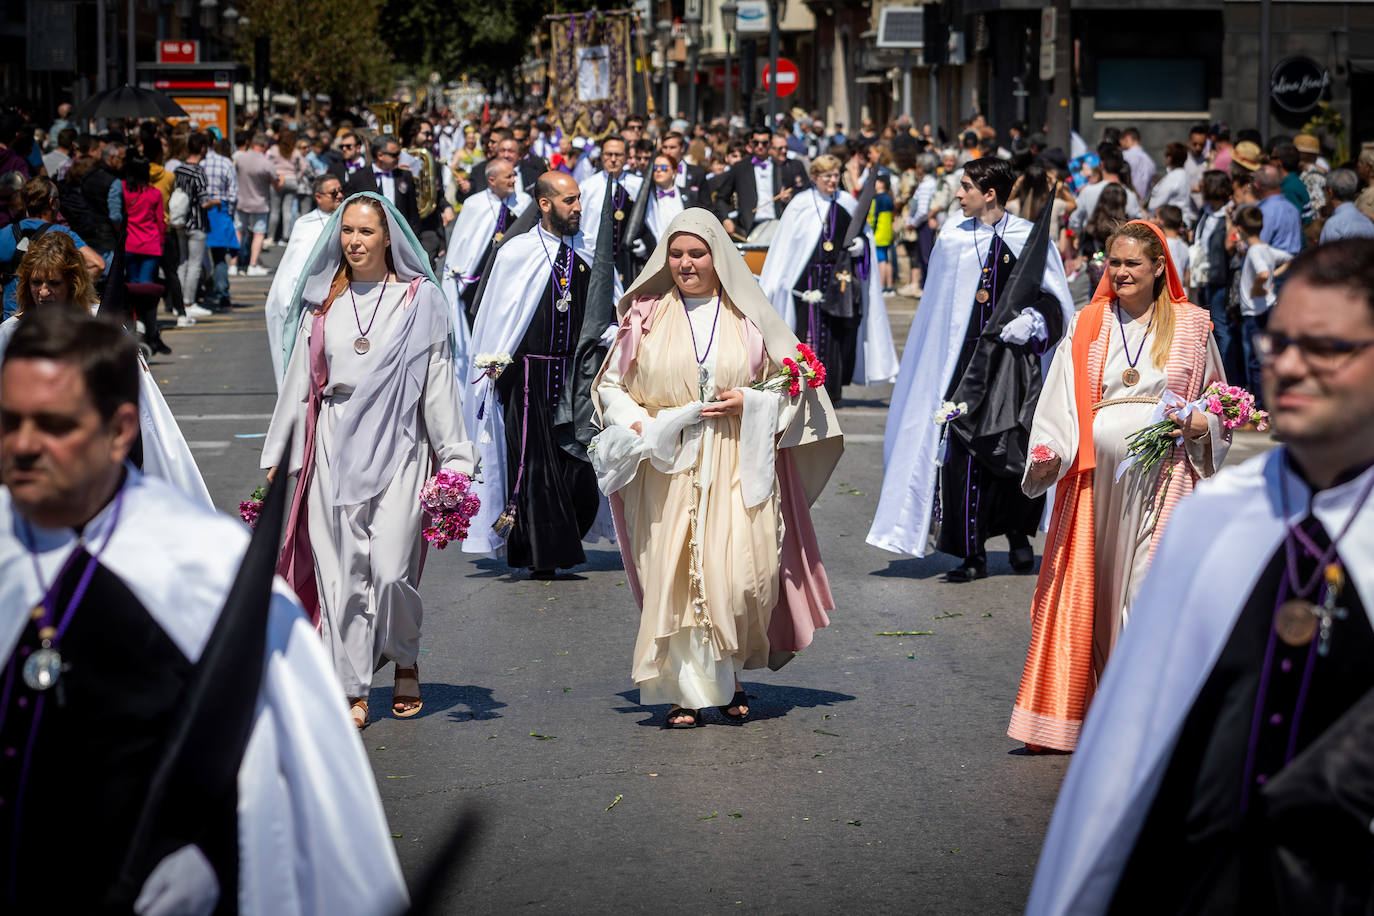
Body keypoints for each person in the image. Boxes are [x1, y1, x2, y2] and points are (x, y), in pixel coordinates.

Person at [0, 305, 408, 913]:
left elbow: (292, 782)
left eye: (54, 424)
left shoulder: (207, 571)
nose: (24, 446)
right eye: (9, 421)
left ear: (119, 430)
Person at [1025, 238, 1374, 915]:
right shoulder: (1215, 523)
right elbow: (1125, 749)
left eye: (1325, 347)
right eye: (1278, 342)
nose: (1289, 366)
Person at [590, 209, 843, 727]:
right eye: (677, 254)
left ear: (717, 257)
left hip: (734, 457)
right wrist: (641, 423)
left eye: (697, 254)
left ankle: (726, 675)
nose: (686, 264)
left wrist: (749, 403)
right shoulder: (645, 315)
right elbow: (610, 386)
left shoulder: (748, 319)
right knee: (675, 576)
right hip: (667, 461)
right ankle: (687, 692)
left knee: (735, 579)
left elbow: (792, 384)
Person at [1009, 220, 1230, 753]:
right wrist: (1050, 451)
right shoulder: (1088, 323)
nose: (1122, 271)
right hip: (1094, 483)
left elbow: (1218, 398)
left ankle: (1143, 714)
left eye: (1134, 263)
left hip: (1166, 475)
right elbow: (1061, 397)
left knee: (1148, 587)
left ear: (1160, 267)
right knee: (1095, 595)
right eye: (1115, 261)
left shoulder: (1194, 326)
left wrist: (1206, 424)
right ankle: (1090, 710)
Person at [263, 192, 476, 729]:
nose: (354, 241)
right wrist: (281, 454)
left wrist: (454, 459)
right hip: (334, 442)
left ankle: (404, 654)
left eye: (366, 232)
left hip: (401, 446)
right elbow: (300, 385)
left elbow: (437, 382)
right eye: (348, 232)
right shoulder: (323, 302)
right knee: (342, 574)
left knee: (389, 571)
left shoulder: (419, 300)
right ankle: (353, 686)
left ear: (389, 238)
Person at [868, 156, 1075, 580]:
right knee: (963, 458)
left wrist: (1033, 322)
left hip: (1016, 369)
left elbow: (1056, 303)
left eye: (965, 187)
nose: (958, 195)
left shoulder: (1026, 238)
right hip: (964, 367)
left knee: (1014, 453)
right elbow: (938, 315)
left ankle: (1019, 536)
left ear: (990, 194)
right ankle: (972, 552)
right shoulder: (952, 239)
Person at [462, 172, 604, 577]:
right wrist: (493, 371)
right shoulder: (517, 253)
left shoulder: (588, 251)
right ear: (545, 204)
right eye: (569, 201)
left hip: (576, 380)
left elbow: (604, 310)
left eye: (578, 200)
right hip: (529, 379)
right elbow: (496, 317)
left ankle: (564, 538)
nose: (577, 208)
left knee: (577, 466)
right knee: (535, 468)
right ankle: (542, 554)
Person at [757, 154, 900, 405]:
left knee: (835, 337)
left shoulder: (846, 202)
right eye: (827, 176)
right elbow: (788, 247)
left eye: (835, 175)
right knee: (804, 335)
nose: (833, 180)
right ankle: (801, 388)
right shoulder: (801, 204)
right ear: (815, 178)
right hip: (805, 281)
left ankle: (832, 391)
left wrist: (860, 245)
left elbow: (863, 235)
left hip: (838, 282)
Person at [263, 173, 344, 388]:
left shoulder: (346, 219)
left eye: (340, 191)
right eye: (333, 193)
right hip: (311, 306)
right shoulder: (306, 224)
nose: (340, 196)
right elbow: (294, 269)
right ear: (318, 197)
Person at [441, 157, 531, 329]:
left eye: (514, 176)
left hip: (511, 275)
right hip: (479, 277)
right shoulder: (474, 204)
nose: (513, 180)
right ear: (492, 180)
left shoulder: (524, 202)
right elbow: (463, 244)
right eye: (508, 177)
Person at [0, 176, 103, 319]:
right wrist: (73, 291)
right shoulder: (62, 236)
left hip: (14, 318)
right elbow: (97, 264)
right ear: (52, 203)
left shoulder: (5, 233)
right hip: (54, 319)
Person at [709, 127, 810, 238]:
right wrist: (725, 219)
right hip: (749, 229)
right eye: (756, 143)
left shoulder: (783, 167)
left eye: (764, 143)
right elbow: (721, 198)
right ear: (751, 144)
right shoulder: (740, 168)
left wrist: (789, 196)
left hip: (779, 226)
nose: (760, 146)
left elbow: (803, 193)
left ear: (770, 144)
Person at [1235, 205, 1291, 404]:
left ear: (1240, 229)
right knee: (1265, 358)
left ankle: (1260, 408)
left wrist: (1259, 286)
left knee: (1256, 362)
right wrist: (1273, 276)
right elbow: (1288, 258)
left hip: (1255, 313)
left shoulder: (1254, 252)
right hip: (1266, 309)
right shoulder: (1266, 249)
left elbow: (1263, 273)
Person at [577, 135, 642, 287]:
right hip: (594, 258)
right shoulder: (587, 186)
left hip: (628, 261)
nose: (613, 159)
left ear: (626, 156)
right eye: (608, 154)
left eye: (618, 155)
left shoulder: (638, 185)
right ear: (601, 155)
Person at [344, 135, 423, 241]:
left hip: (401, 238)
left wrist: (414, 239)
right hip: (369, 239)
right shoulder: (357, 178)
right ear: (380, 155)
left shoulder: (405, 175)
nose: (399, 158)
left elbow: (413, 212)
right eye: (394, 155)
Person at [122, 157, 165, 285]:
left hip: (129, 244)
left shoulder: (123, 189)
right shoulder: (155, 193)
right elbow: (160, 221)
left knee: (132, 283)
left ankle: (134, 305)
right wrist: (162, 243)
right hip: (151, 244)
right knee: (146, 283)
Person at [1255, 165, 1303, 256]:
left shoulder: (1265, 211)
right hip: (1292, 265)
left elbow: (1259, 246)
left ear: (1257, 185)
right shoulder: (1292, 208)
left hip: (1271, 266)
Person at [1319, 168, 1374, 243]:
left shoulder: (1333, 225)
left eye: (1324, 189)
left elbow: (1328, 254)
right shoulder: (1368, 223)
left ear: (1330, 192)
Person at [1146, 143, 1193, 227]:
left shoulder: (1174, 178)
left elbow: (1157, 203)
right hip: (1180, 220)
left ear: (1170, 158)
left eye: (1167, 154)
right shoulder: (1184, 175)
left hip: (1171, 223)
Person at [1119, 127, 1155, 202]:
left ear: (1127, 139)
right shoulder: (1150, 161)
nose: (1120, 145)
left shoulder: (1124, 156)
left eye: (1121, 142)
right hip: (1143, 204)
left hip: (1126, 202)